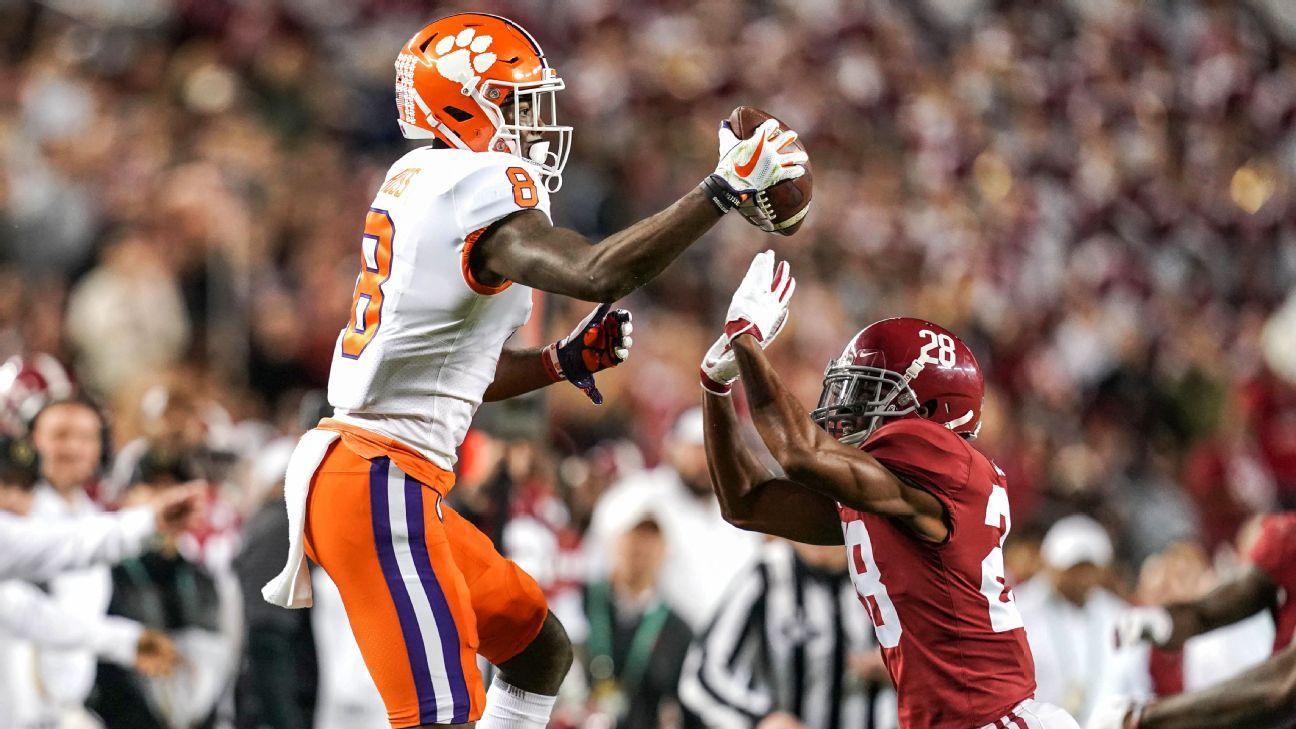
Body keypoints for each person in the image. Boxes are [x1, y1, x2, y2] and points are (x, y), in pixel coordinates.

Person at [260, 12, 807, 729]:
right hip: (375, 480)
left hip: (385, 473)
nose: (529, 123)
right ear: (459, 102)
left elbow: (453, 373)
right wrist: (718, 192)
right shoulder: (469, 187)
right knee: (442, 715)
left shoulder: (419, 179)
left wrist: (560, 360)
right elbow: (594, 270)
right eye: (514, 104)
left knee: (539, 648)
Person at [698, 252, 1077, 729]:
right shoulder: (894, 497)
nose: (850, 407)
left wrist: (748, 340)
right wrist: (716, 384)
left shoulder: (950, 466)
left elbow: (799, 453)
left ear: (935, 410)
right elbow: (748, 503)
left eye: (872, 392)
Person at [1090, 511, 1296, 729]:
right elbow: (1241, 593)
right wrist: (1169, 621)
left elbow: (1281, 689)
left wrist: (1146, 718)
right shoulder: (1289, 535)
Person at [679, 539, 896, 729]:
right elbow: (702, 675)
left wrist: (904, 668)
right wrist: (762, 718)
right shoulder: (769, 573)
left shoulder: (888, 571)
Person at [586, 408, 761, 630]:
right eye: (697, 448)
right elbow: (595, 574)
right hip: (648, 646)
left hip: (722, 650)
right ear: (673, 447)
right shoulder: (636, 497)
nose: (707, 458)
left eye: (718, 447)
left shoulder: (745, 511)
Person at [579, 506, 697, 729]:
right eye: (633, 536)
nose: (641, 548)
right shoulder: (579, 602)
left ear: (664, 551)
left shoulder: (678, 631)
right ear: (613, 541)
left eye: (651, 539)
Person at [1013, 515, 1133, 723]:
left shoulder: (1120, 616)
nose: (1082, 577)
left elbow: (1134, 684)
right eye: (1074, 569)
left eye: (1089, 568)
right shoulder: (1018, 611)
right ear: (1050, 564)